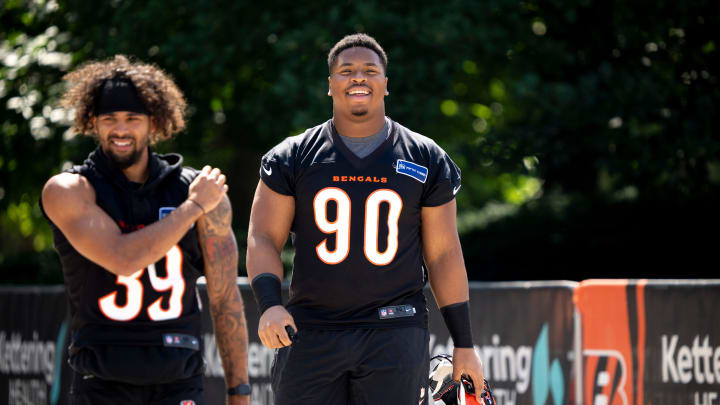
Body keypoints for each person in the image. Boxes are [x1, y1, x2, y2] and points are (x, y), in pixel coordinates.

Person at [247, 33, 485, 404]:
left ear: (385, 84)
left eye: (369, 70)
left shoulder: (425, 157)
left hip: (394, 328)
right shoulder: (292, 156)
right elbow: (263, 236)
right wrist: (268, 304)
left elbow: (443, 254)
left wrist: (464, 344)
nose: (358, 77)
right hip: (311, 327)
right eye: (346, 71)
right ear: (330, 85)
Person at [41, 55, 250, 405]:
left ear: (154, 123)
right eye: (110, 118)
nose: (121, 129)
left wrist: (239, 393)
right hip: (102, 380)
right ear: (92, 122)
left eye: (132, 119)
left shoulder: (194, 188)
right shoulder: (69, 190)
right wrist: (193, 208)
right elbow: (124, 259)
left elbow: (225, 299)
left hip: (178, 378)